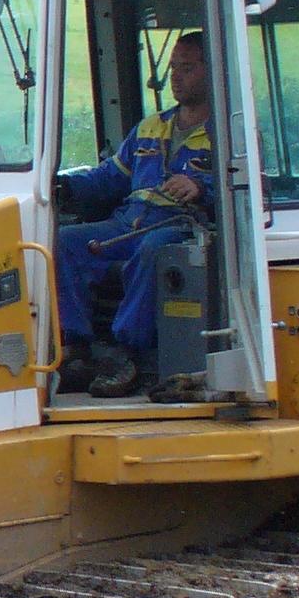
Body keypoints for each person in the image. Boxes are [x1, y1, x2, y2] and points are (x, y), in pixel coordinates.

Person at [52, 32, 214, 397]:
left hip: (180, 225)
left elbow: (246, 189)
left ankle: (128, 354)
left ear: (214, 71)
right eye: (173, 67)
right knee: (67, 242)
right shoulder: (150, 127)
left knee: (154, 249)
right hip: (128, 223)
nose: (176, 77)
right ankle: (76, 349)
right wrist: (64, 186)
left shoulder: (227, 134)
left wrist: (201, 188)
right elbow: (109, 178)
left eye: (187, 68)